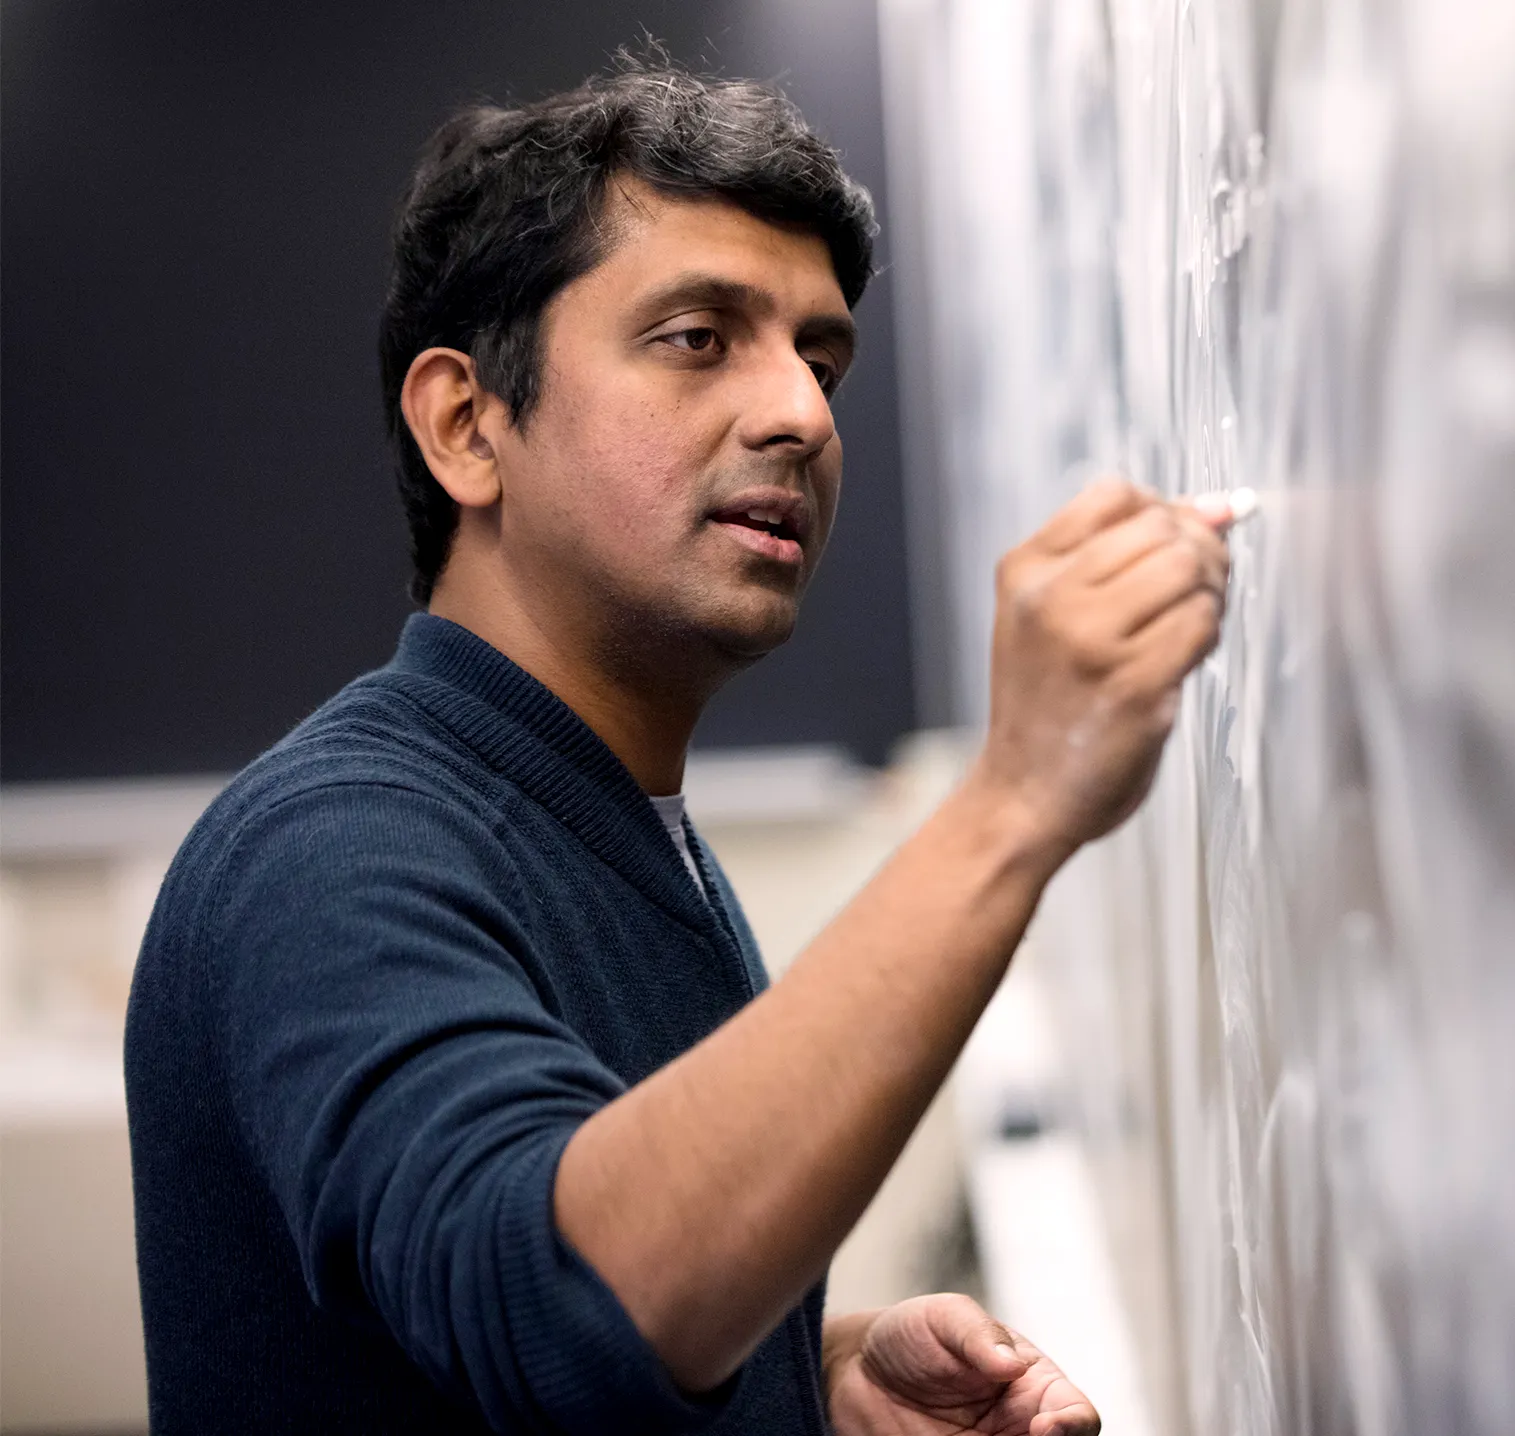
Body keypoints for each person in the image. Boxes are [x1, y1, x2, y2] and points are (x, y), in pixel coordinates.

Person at [124, 56, 1236, 1436]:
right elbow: (557, 1299)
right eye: (698, 337)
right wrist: (1012, 806)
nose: (802, 415)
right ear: (469, 427)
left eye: (817, 357)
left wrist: (803, 1381)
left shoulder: (619, 828)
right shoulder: (329, 852)